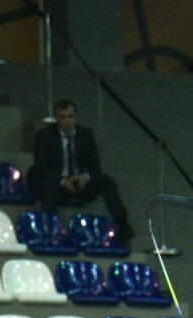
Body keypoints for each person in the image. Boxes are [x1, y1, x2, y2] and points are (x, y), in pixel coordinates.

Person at [29, 99, 137, 246]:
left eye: (70, 117)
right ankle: (50, 231)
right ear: (57, 119)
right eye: (63, 117)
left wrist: (85, 177)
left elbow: (95, 165)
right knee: (46, 186)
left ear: (76, 117)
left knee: (106, 181)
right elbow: (41, 167)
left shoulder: (86, 134)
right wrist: (62, 181)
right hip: (57, 184)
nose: (67, 121)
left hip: (80, 183)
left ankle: (122, 225)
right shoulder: (45, 136)